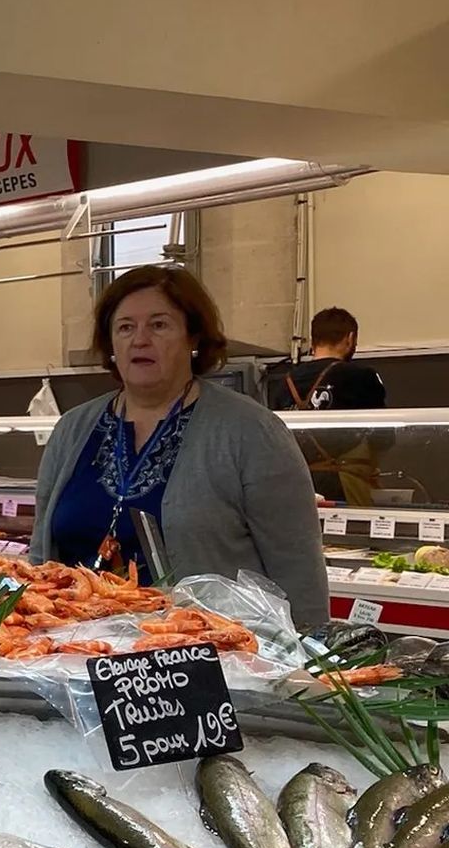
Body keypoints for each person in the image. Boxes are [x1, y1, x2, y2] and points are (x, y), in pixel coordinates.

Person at [30, 266, 329, 627]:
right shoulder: (72, 430)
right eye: (125, 327)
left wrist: (310, 660)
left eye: (159, 325)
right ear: (110, 345)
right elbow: (40, 559)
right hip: (71, 656)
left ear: (194, 338)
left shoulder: (251, 432)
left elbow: (298, 567)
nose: (140, 339)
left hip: (206, 660)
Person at [267, 307, 390, 504]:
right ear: (350, 338)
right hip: (345, 486)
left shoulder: (284, 383)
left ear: (314, 340)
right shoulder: (361, 377)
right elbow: (384, 438)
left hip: (295, 488)